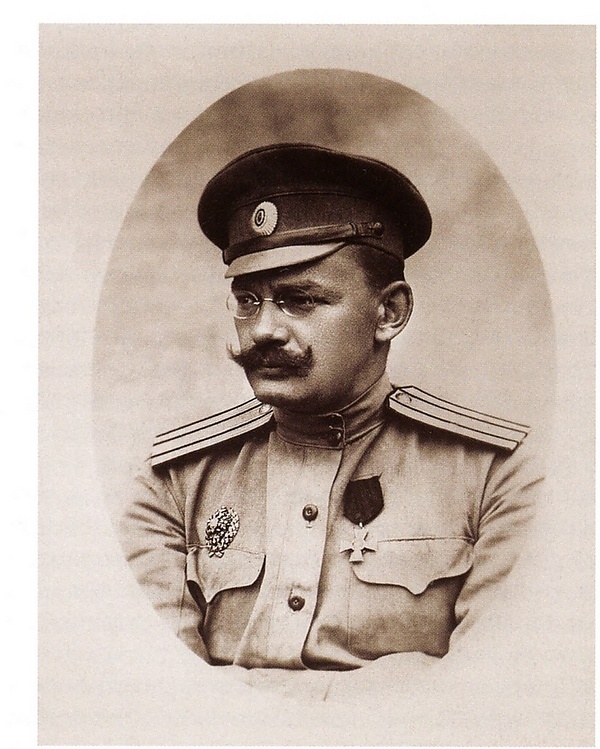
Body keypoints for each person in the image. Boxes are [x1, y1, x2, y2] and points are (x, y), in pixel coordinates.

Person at [119, 143, 543, 698]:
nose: (263, 330)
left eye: (300, 301)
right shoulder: (174, 481)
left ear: (389, 313)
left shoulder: (496, 474)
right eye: (247, 301)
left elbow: (490, 693)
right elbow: (155, 692)